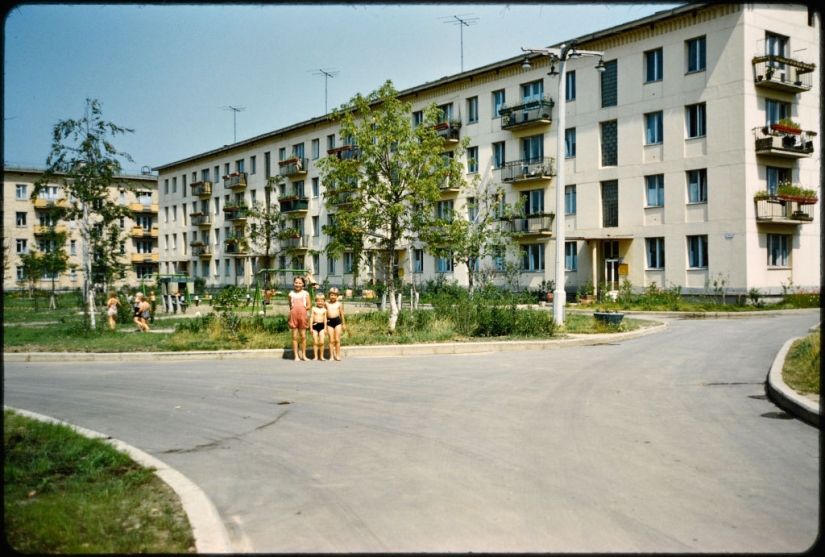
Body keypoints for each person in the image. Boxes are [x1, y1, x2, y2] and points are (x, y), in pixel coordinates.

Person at [288, 276, 309, 361]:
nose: (298, 284)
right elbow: (290, 305)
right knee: (294, 336)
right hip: (294, 316)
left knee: (303, 336)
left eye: (300, 283)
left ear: (303, 284)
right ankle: (296, 355)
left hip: (303, 316)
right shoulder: (290, 294)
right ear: (294, 283)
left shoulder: (306, 293)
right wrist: (294, 311)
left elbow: (309, 305)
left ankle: (304, 355)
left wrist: (303, 310)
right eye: (296, 283)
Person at [325, 287, 346, 361]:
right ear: (329, 295)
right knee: (331, 340)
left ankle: (337, 355)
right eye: (331, 295)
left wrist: (343, 324)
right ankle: (331, 355)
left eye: (334, 295)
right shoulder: (326, 304)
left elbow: (342, 314)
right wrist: (325, 327)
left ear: (337, 296)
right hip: (329, 322)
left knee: (337, 339)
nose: (333, 296)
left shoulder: (339, 304)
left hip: (337, 322)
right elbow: (324, 315)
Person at [310, 293, 328, 361]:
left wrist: (325, 328)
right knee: (315, 342)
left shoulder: (324, 310)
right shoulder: (314, 309)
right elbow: (311, 318)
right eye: (318, 301)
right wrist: (311, 328)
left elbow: (325, 320)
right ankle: (315, 356)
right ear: (316, 301)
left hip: (322, 326)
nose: (320, 302)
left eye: (321, 301)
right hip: (315, 326)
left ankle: (321, 356)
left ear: (324, 301)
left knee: (322, 342)